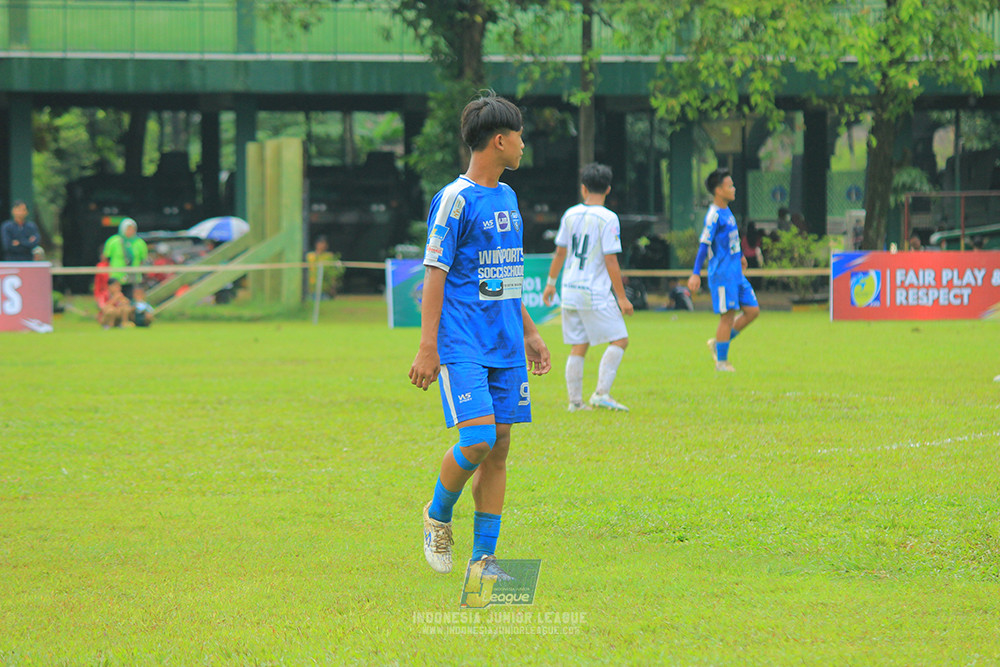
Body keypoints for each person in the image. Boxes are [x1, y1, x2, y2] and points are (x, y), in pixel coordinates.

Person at [409, 92, 551, 577]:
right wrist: (428, 346)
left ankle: (483, 561)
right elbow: (435, 272)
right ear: (499, 141)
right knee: (478, 439)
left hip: (506, 342)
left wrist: (530, 331)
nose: (523, 145)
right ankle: (437, 515)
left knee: (500, 446)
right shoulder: (455, 199)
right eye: (519, 136)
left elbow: (504, 276)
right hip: (463, 342)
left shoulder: (508, 197)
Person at [542, 162, 633, 412]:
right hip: (594, 291)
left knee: (579, 344)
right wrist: (622, 297)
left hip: (570, 289)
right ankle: (601, 393)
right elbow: (611, 259)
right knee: (620, 339)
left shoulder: (570, 215)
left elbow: (560, 253)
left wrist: (550, 284)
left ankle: (575, 402)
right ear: (608, 189)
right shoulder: (608, 218)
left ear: (583, 188)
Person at [687, 167, 760, 372]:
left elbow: (731, 240)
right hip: (722, 274)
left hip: (735, 271)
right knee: (727, 317)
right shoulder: (714, 215)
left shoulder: (727, 212)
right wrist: (695, 273)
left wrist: (741, 256)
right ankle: (721, 362)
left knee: (752, 311)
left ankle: (718, 344)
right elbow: (704, 245)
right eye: (730, 186)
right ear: (718, 190)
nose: (734, 189)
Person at [102, 218, 148, 300]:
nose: (130, 231)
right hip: (116, 277)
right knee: (116, 299)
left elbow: (143, 260)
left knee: (131, 299)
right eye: (128, 229)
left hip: (133, 277)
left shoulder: (140, 243)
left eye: (132, 229)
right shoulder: (113, 241)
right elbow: (105, 258)